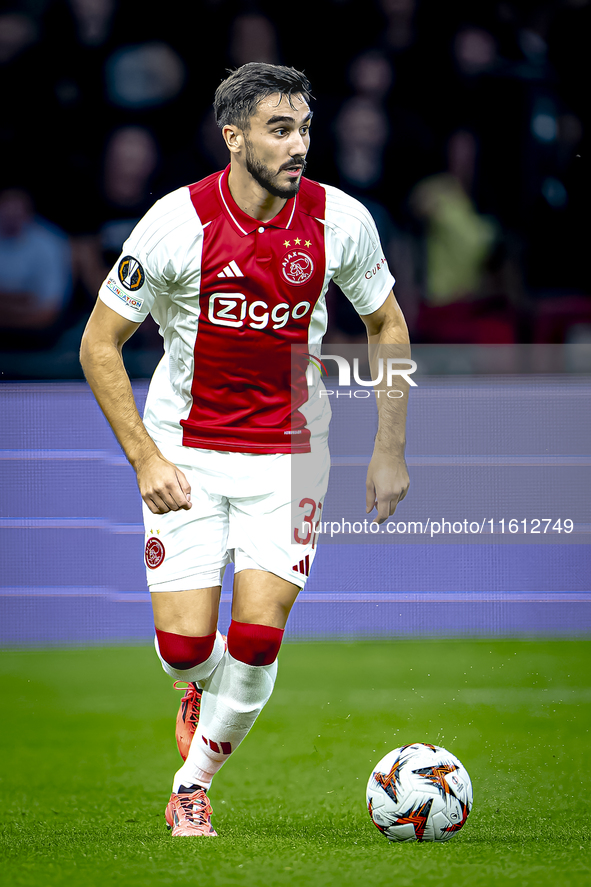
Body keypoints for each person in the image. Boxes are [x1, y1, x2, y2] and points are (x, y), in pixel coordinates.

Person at [79, 63, 410, 837]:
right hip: (185, 451)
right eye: (278, 130)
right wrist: (146, 459)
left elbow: (386, 325)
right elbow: (100, 344)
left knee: (259, 635)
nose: (298, 146)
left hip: (292, 451)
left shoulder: (341, 222)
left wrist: (389, 448)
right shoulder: (174, 223)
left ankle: (191, 787)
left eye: (303, 129)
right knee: (185, 646)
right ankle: (200, 685)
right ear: (233, 137)